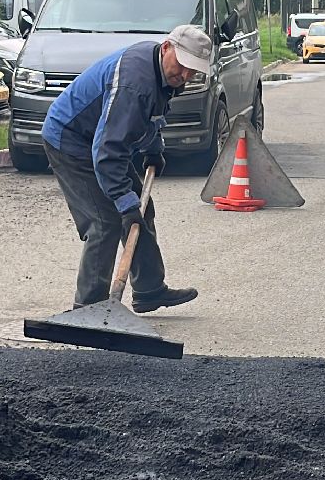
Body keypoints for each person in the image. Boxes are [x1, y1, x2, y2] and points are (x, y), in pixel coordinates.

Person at [39, 25, 210, 312]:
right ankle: (88, 309)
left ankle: (149, 290)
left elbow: (151, 115)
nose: (184, 76)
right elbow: (107, 151)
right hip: (71, 141)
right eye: (182, 66)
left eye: (192, 72)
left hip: (100, 143)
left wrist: (153, 149)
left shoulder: (162, 73)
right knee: (105, 221)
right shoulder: (135, 83)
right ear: (167, 47)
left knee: (141, 210)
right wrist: (122, 199)